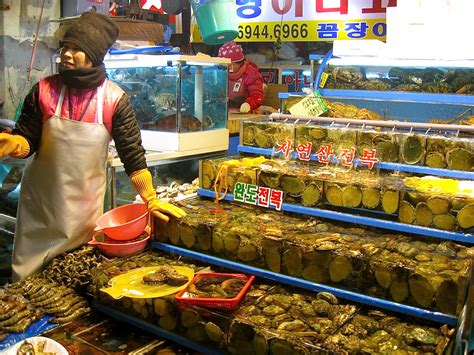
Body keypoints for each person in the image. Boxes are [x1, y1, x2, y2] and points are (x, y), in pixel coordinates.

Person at [0, 12, 186, 281]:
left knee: (73, 283)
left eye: (77, 49)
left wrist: (151, 199)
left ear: (95, 55)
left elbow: (132, 155)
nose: (67, 54)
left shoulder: (114, 100)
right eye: (66, 47)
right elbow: (28, 139)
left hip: (83, 218)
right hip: (38, 212)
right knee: (26, 289)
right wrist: (14, 144)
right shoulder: (43, 90)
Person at [218, 41, 264, 113]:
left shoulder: (251, 74)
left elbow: (257, 95)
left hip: (245, 114)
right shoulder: (219, 72)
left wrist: (248, 104)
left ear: (233, 64)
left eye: (226, 65)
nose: (224, 68)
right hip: (223, 113)